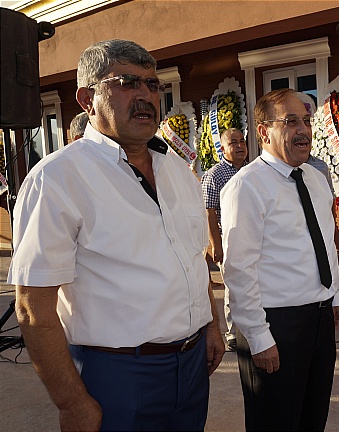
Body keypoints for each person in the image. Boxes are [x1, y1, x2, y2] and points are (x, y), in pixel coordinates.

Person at [9, 39, 225, 431]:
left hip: (193, 366)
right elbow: (32, 306)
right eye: (127, 83)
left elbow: (192, 259)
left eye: (152, 84)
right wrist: (71, 402)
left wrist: (210, 324)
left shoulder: (177, 170)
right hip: (116, 374)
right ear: (86, 100)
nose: (145, 95)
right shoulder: (57, 179)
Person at [220, 88, 339, 431]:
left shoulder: (315, 178)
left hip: (319, 319)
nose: (303, 130)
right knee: (274, 422)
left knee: (312, 418)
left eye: (306, 120)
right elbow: (238, 270)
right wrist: (259, 337)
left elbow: (326, 241)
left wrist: (333, 295)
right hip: (275, 324)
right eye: (290, 121)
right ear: (264, 132)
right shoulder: (246, 186)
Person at [202, 127, 248, 352]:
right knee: (233, 285)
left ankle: (251, 328)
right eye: (233, 142)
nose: (239, 146)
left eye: (242, 141)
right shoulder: (215, 175)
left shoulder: (251, 171)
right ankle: (233, 333)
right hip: (227, 238)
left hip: (251, 236)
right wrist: (216, 245)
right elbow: (209, 212)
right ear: (223, 148)